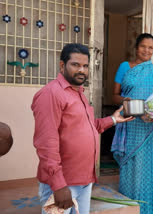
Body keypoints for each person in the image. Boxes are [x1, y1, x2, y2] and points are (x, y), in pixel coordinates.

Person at [32, 43, 134, 214]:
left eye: (85, 66)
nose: (82, 70)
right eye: (76, 65)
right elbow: (46, 143)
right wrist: (58, 185)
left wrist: (113, 120)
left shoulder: (78, 93)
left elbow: (87, 127)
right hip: (63, 183)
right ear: (62, 65)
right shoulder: (51, 94)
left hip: (83, 181)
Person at [112, 33, 153, 214]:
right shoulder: (125, 67)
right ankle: (130, 209)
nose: (147, 50)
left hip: (149, 127)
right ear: (136, 47)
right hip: (130, 123)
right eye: (143, 46)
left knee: (149, 169)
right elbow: (113, 95)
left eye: (150, 48)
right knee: (131, 165)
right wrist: (127, 101)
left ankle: (147, 209)